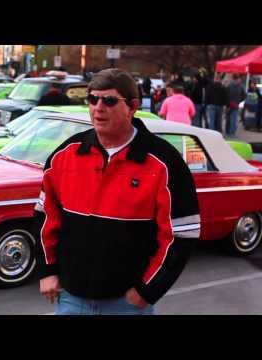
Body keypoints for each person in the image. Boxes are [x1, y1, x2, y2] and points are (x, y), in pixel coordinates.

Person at [34, 68, 200, 315]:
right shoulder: (65, 154)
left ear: (132, 107)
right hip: (70, 299)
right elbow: (45, 217)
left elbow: (181, 234)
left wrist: (147, 292)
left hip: (127, 303)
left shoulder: (164, 162)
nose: (98, 107)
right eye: (93, 99)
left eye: (109, 100)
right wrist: (47, 271)